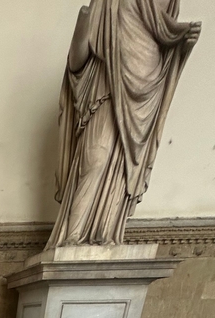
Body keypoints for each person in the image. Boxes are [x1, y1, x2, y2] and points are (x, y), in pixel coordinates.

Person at [47, 0, 200, 249]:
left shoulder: (167, 10)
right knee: (96, 158)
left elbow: (166, 45)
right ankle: (71, 236)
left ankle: (104, 233)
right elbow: (77, 62)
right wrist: (83, 22)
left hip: (142, 103)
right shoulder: (109, 3)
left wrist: (183, 43)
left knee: (121, 172)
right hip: (108, 90)